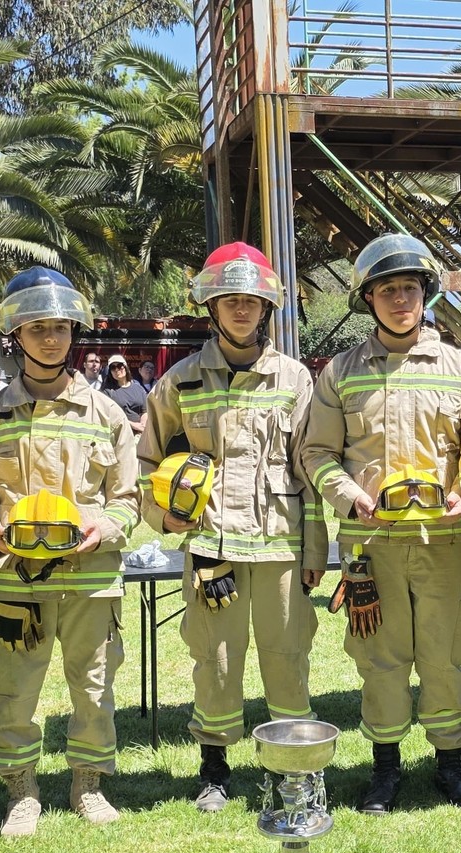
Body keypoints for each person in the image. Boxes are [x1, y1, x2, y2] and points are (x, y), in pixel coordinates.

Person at [139, 243, 326, 812]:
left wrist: (317, 548)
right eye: (230, 301)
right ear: (212, 308)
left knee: (287, 655)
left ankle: (294, 770)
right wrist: (163, 517)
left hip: (282, 547)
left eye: (251, 301)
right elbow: (145, 462)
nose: (241, 310)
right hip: (213, 547)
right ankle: (215, 770)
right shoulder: (181, 382)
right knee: (215, 660)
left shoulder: (294, 379)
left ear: (266, 308)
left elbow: (310, 467)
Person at [300, 233, 461, 812]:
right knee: (379, 660)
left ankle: (451, 768)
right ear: (368, 299)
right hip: (370, 546)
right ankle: (385, 770)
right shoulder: (342, 371)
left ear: (425, 294)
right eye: (387, 290)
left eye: (409, 288)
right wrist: (348, 494)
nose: (400, 299)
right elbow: (316, 453)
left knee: (444, 654)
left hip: (441, 541)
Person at [0, 268, 140, 835]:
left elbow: (129, 499)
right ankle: (22, 792)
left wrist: (104, 527)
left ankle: (88, 786)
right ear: (16, 334)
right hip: (19, 582)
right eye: (37, 328)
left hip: (91, 580)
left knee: (93, 686)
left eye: (60, 328)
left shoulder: (108, 415)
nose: (50, 339)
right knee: (13, 689)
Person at [99, 353, 149, 435]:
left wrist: (143, 425)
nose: (117, 370)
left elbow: (145, 411)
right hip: (119, 434)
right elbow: (107, 416)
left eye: (119, 366)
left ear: (125, 367)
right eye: (113, 367)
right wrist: (133, 425)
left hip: (140, 434)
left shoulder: (138, 388)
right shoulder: (107, 391)